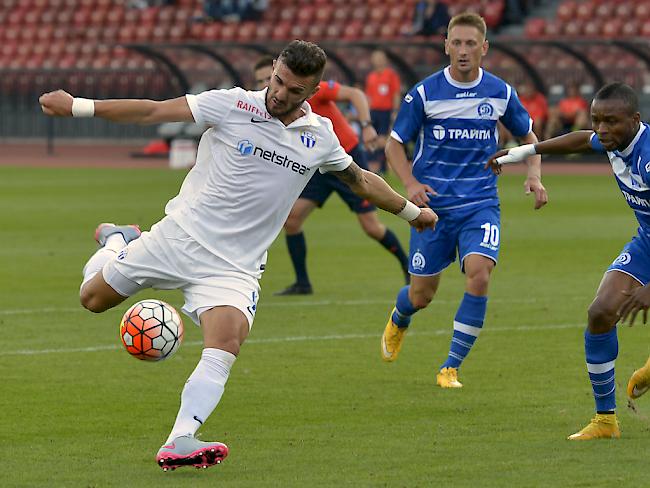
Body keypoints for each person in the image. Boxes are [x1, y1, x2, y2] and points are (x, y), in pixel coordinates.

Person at [38, 40, 438, 470]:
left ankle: (180, 439)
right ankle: (117, 241)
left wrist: (412, 212)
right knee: (92, 300)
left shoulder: (319, 136)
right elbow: (154, 111)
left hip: (234, 267)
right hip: (180, 238)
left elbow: (359, 179)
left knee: (226, 341)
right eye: (278, 80)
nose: (280, 93)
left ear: (314, 90)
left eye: (294, 89)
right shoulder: (231, 104)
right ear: (274, 70)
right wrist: (79, 106)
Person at [380, 13, 548, 390]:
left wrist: (533, 175)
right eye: (456, 43)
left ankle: (450, 367)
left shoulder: (500, 92)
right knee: (421, 295)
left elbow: (529, 137)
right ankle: (400, 316)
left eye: (471, 43)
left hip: (480, 202)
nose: (463, 50)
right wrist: (409, 183)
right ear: (446, 46)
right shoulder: (424, 93)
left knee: (480, 273)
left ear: (484, 48)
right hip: (432, 210)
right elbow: (393, 144)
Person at [488, 82, 649, 440]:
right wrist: (521, 153)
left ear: (636, 120)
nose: (602, 129)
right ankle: (605, 421)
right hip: (648, 242)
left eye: (612, 122)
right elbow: (580, 140)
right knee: (600, 313)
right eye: (597, 120)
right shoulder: (613, 140)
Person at [251, 57, 410, 295]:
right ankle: (302, 283)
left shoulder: (312, 90)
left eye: (268, 77)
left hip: (346, 160)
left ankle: (410, 270)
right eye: (260, 81)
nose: (266, 84)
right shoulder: (269, 105)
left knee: (372, 227)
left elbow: (356, 95)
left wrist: (366, 125)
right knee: (292, 220)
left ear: (277, 71)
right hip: (317, 166)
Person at [364, 49, 402, 174]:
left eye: (380, 58)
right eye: (376, 58)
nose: (378, 60)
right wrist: (367, 112)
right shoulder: (371, 76)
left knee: (383, 139)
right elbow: (368, 96)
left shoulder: (391, 75)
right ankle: (377, 166)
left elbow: (396, 93)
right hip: (373, 111)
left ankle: (382, 165)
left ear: (385, 60)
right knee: (373, 139)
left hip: (386, 111)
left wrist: (395, 110)